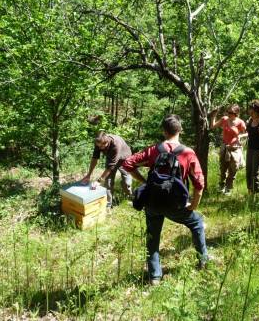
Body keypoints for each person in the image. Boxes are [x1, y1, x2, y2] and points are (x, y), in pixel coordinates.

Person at [122, 115, 208, 285]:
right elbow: (199, 183)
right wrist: (194, 204)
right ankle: (203, 260)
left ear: (164, 131)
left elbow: (127, 164)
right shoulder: (188, 153)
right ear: (180, 130)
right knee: (196, 223)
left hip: (152, 202)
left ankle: (154, 276)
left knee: (153, 237)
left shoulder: (154, 150)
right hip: (176, 203)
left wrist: (144, 181)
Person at [81, 131, 133, 206]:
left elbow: (110, 167)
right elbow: (95, 159)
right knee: (108, 183)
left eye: (103, 146)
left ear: (107, 142)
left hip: (125, 159)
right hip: (111, 158)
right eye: (99, 146)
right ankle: (108, 205)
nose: (101, 148)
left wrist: (99, 181)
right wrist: (88, 175)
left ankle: (129, 197)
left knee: (126, 182)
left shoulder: (115, 144)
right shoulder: (98, 143)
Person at [210, 104, 246, 195]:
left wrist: (240, 136)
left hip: (235, 148)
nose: (229, 114)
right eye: (228, 111)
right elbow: (213, 126)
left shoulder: (240, 122)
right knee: (223, 168)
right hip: (225, 147)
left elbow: (247, 133)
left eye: (231, 112)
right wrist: (213, 116)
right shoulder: (224, 119)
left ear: (236, 113)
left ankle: (228, 188)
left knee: (233, 169)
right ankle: (221, 186)